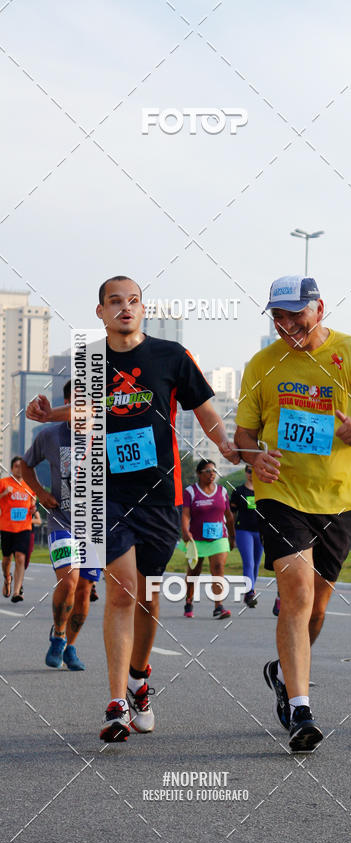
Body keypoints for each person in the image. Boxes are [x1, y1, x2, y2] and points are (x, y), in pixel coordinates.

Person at [26, 275, 239, 742]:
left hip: (161, 494)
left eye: (134, 301)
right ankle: (116, 704)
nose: (125, 307)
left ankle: (140, 681)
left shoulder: (171, 356)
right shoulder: (90, 359)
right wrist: (50, 414)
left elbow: (204, 407)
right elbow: (88, 411)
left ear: (143, 309)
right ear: (100, 312)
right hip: (107, 493)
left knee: (148, 596)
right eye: (115, 301)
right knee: (121, 592)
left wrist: (224, 444)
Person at [235, 275, 351, 752]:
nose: (286, 324)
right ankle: (301, 710)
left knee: (318, 607)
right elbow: (244, 436)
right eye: (278, 317)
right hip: (280, 494)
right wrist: (254, 457)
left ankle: (282, 674)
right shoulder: (262, 364)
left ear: (319, 309)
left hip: (340, 498)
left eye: (296, 315)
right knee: (298, 593)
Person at [22, 379, 99, 670]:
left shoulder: (105, 434)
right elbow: (26, 465)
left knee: (84, 590)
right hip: (61, 520)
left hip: (95, 526)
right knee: (69, 582)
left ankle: (71, 646)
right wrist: (40, 493)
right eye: (75, 402)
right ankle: (58, 635)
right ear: (66, 404)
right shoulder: (50, 435)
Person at [181, 459, 235, 619]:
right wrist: (185, 530)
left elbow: (229, 516)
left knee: (218, 568)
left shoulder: (222, 491)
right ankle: (189, 601)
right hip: (196, 539)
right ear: (199, 473)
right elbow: (185, 514)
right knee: (194, 572)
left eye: (214, 471)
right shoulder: (190, 491)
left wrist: (232, 536)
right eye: (208, 471)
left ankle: (219, 606)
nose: (212, 474)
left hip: (219, 537)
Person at [0, 457, 36, 603]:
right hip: (7, 527)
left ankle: (16, 592)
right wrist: (4, 493)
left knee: (20, 557)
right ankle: (7, 577)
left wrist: (33, 509)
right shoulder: (4, 483)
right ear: (11, 468)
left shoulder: (29, 485)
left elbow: (33, 503)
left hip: (24, 527)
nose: (19, 469)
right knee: (6, 559)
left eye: (21, 466)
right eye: (16, 466)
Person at [230, 465, 262, 608]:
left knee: (256, 563)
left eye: (254, 471)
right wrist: (231, 533)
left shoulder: (263, 491)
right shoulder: (239, 491)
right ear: (245, 472)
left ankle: (251, 589)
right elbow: (231, 514)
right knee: (248, 562)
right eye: (249, 471)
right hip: (243, 531)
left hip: (260, 532)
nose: (251, 473)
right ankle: (249, 593)